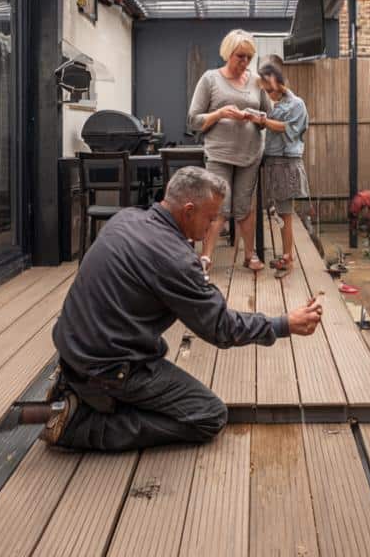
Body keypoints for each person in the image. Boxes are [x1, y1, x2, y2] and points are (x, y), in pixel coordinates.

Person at [28, 166, 323, 451]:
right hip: (109, 367)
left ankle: (80, 389)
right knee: (208, 415)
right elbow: (221, 328)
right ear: (189, 210)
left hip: (74, 347)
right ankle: (78, 425)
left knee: (159, 350)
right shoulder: (173, 257)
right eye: (209, 219)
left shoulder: (127, 218)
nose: (211, 229)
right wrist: (283, 324)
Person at [187, 29, 272, 271]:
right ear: (228, 54)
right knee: (218, 207)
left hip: (250, 154)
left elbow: (269, 113)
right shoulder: (210, 79)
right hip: (219, 154)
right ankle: (206, 258)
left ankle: (250, 255)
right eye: (240, 57)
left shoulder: (257, 81)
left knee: (245, 206)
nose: (244, 63)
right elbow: (193, 119)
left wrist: (256, 117)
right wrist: (221, 113)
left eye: (248, 57)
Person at [254, 63, 310, 278]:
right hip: (274, 163)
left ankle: (288, 259)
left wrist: (263, 121)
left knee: (285, 213)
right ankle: (287, 256)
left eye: (269, 88)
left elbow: (288, 129)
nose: (268, 92)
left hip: (286, 163)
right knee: (280, 212)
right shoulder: (275, 106)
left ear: (279, 82)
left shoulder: (297, 104)